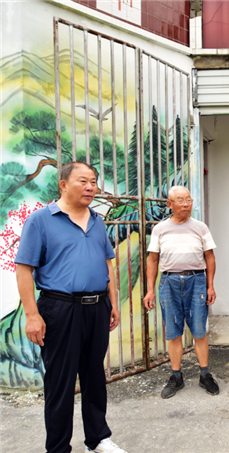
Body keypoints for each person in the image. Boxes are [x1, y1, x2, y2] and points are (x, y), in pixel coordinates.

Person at [15, 161, 127, 453]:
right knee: (60, 382)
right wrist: (32, 315)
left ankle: (97, 439)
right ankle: (58, 447)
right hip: (60, 308)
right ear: (63, 185)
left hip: (97, 307)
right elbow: (24, 269)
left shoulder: (97, 220)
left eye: (93, 182)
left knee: (94, 377)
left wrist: (113, 303)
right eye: (83, 181)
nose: (90, 187)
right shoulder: (41, 220)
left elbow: (107, 263)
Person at [143, 186, 219, 399]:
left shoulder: (200, 227)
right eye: (180, 200)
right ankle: (176, 376)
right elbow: (152, 260)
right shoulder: (160, 229)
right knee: (173, 331)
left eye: (188, 200)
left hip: (197, 280)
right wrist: (150, 290)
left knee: (199, 330)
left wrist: (210, 286)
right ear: (170, 204)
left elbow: (210, 257)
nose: (186, 204)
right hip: (169, 281)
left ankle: (205, 375)